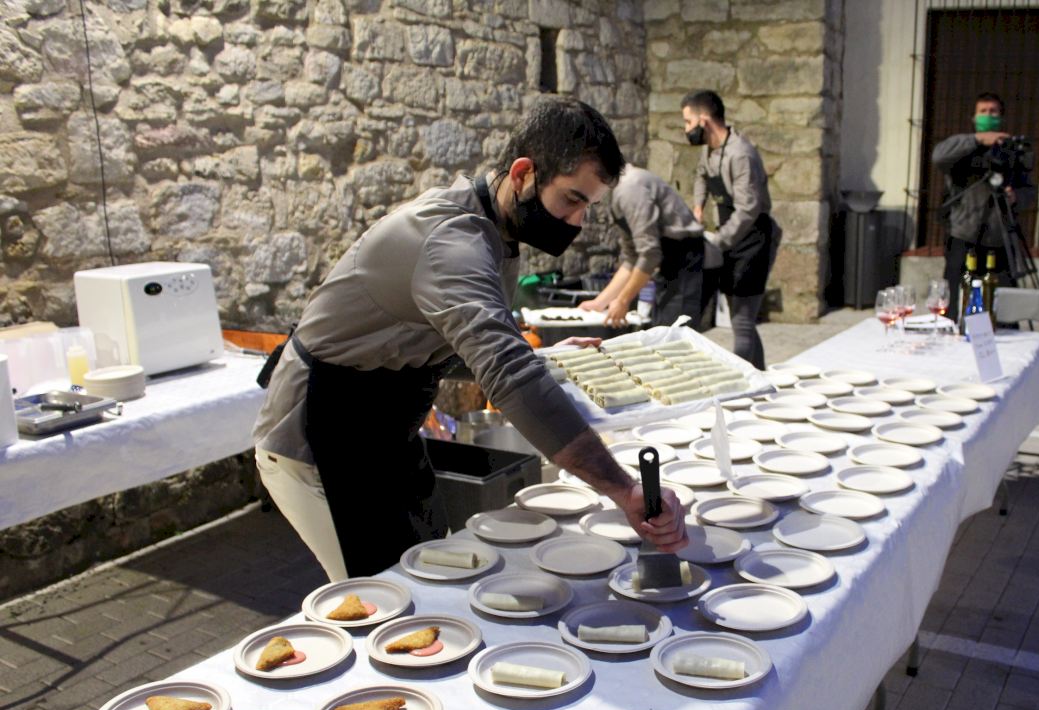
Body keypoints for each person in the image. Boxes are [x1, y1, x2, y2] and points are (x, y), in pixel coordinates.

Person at [252, 96, 687, 581]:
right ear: (523, 173)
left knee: (428, 573)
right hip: (322, 433)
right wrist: (624, 489)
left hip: (384, 432)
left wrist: (540, 355)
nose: (577, 223)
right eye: (571, 200)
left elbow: (464, 338)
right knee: (381, 596)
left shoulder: (497, 229)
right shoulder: (451, 240)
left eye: (588, 207)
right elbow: (509, 375)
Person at [682, 89, 779, 370]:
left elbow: (748, 209)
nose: (686, 129)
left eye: (688, 122)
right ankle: (762, 377)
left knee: (743, 320)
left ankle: (739, 383)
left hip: (753, 240)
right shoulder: (710, 149)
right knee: (741, 320)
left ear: (704, 120)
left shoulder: (741, 154)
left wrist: (718, 241)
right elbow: (701, 175)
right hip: (731, 238)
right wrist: (698, 207)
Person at [932, 91, 1036, 320]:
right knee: (956, 301)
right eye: (983, 111)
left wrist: (1015, 197)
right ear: (974, 117)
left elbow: (1030, 192)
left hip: (1001, 238)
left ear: (1001, 117)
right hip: (964, 235)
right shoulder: (962, 148)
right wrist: (978, 140)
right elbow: (938, 156)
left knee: (1004, 306)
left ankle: (1001, 335)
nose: (988, 116)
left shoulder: (1011, 151)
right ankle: (957, 333)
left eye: (993, 112)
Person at [578, 165, 707, 328]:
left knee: (674, 331)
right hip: (668, 263)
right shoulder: (616, 194)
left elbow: (650, 254)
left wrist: (623, 300)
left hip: (685, 259)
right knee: (661, 327)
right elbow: (631, 257)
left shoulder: (629, 188)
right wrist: (599, 302)